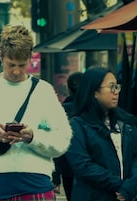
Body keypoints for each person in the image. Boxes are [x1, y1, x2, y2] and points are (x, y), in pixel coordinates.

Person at [0, 24, 72, 201]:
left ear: (31, 57)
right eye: (11, 65)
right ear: (1, 56)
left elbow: (63, 140)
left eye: (22, 65)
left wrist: (33, 137)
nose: (16, 71)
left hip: (35, 183)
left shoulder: (43, 91)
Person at [66, 66, 137, 201]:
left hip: (126, 194)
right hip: (94, 195)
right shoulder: (78, 124)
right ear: (94, 92)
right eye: (111, 87)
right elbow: (82, 165)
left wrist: (132, 184)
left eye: (117, 87)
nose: (116, 92)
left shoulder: (125, 122)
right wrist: (119, 184)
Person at [52, 71, 84, 201]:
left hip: (67, 166)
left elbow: (56, 142)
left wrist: (55, 177)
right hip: (90, 168)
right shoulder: (92, 109)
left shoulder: (61, 110)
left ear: (69, 90)